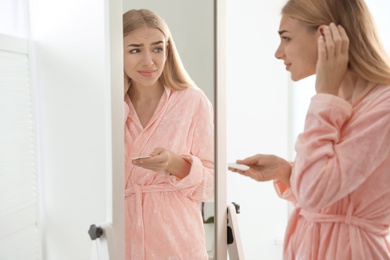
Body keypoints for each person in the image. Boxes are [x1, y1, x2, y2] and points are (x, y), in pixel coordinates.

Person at [228, 0, 390, 259]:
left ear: (324, 36)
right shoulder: (339, 103)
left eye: (286, 38)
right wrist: (288, 172)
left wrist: (325, 95)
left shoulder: (382, 107)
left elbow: (315, 193)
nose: (278, 53)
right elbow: (329, 191)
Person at [123, 9, 214, 260]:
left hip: (178, 244)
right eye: (135, 50)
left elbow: (216, 186)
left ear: (168, 49)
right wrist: (115, 102)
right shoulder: (110, 107)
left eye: (157, 48)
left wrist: (176, 165)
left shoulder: (192, 102)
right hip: (123, 241)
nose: (149, 61)